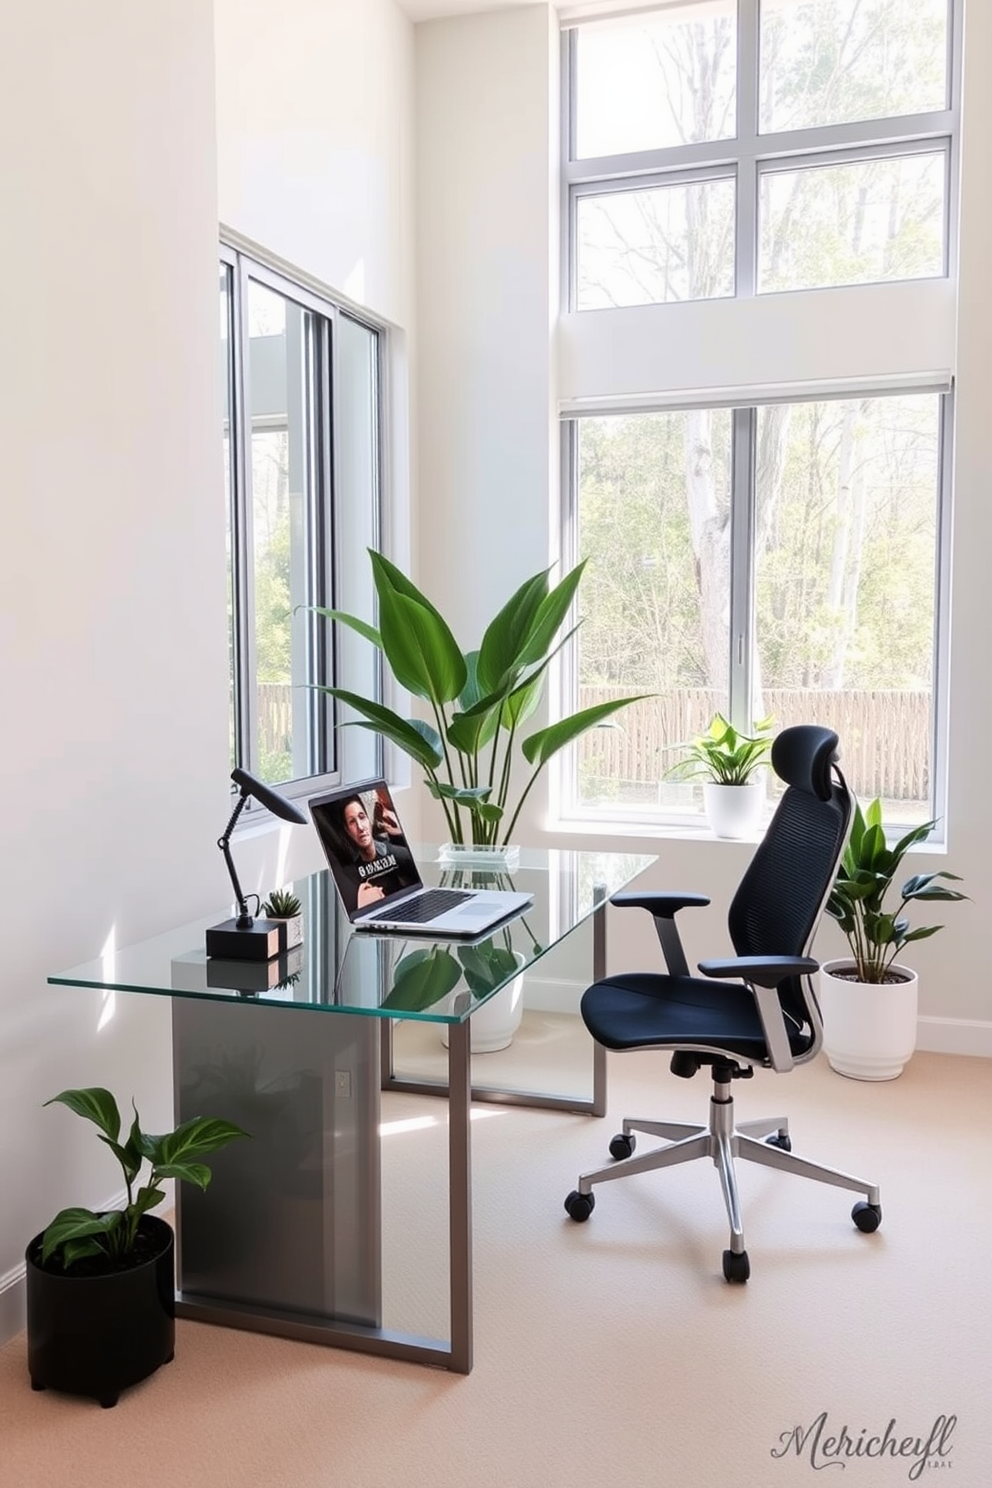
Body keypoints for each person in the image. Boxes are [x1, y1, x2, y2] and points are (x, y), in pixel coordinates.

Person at [328, 792, 417, 913]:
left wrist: (399, 834)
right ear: (347, 831)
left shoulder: (391, 852)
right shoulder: (351, 873)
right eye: (352, 822)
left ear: (369, 820)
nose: (360, 827)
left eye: (362, 817)